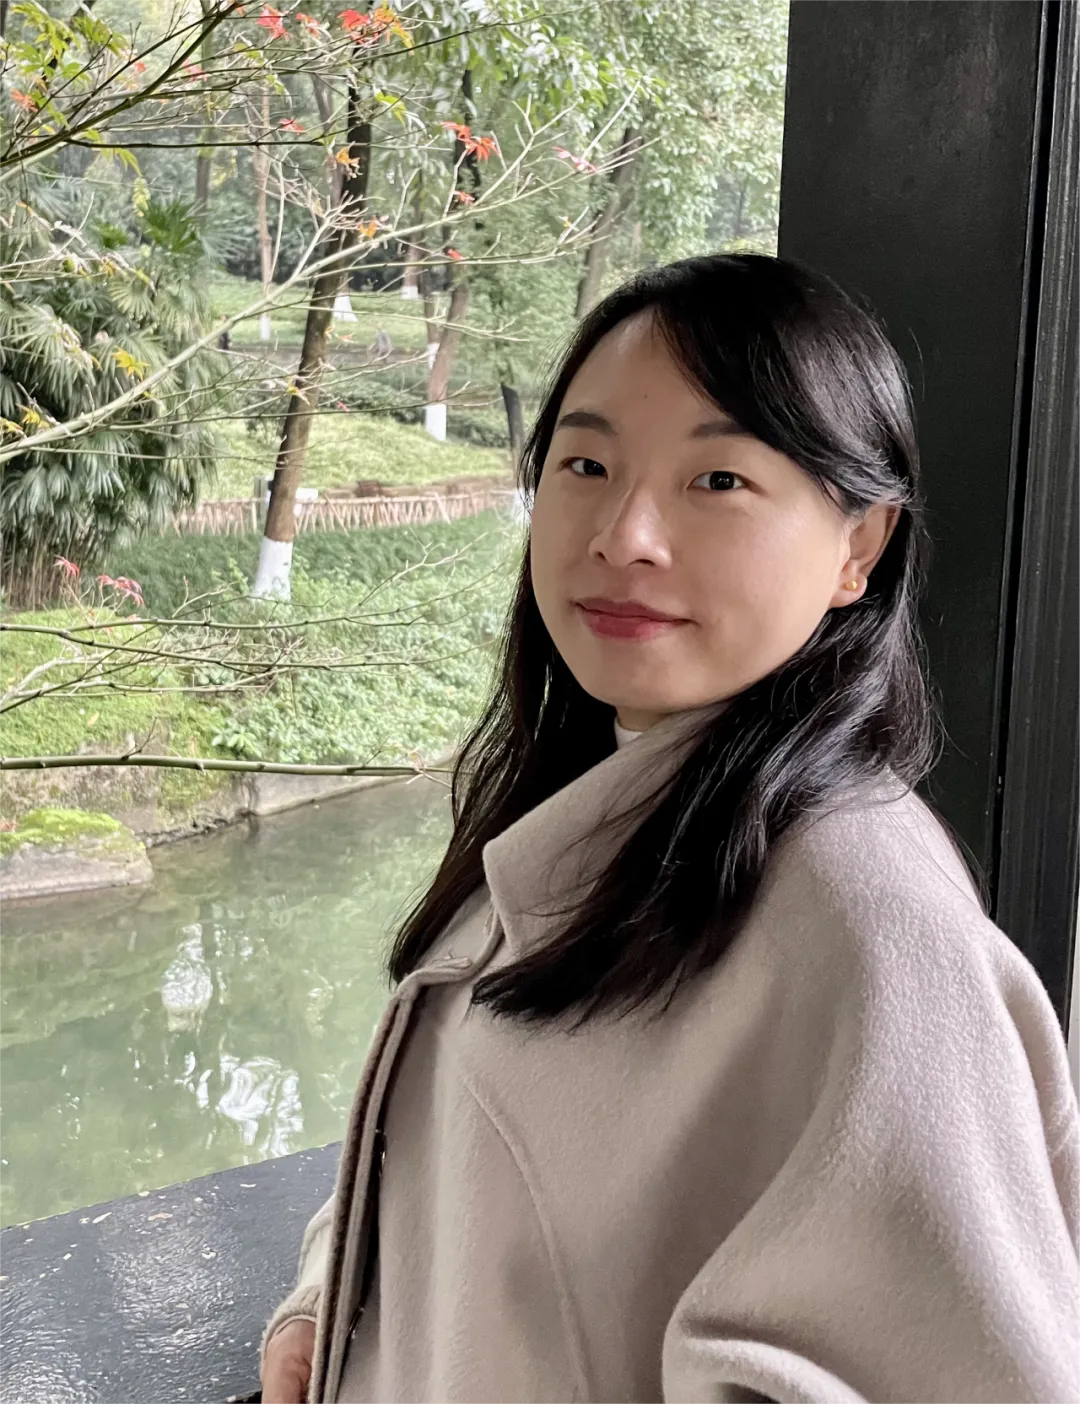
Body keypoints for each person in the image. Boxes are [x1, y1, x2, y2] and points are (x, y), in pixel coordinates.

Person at [260, 254, 1080, 1404]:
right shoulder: (592, 809)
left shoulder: (866, 921)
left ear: (859, 546)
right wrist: (333, 1297)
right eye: (586, 465)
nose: (625, 534)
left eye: (719, 480)